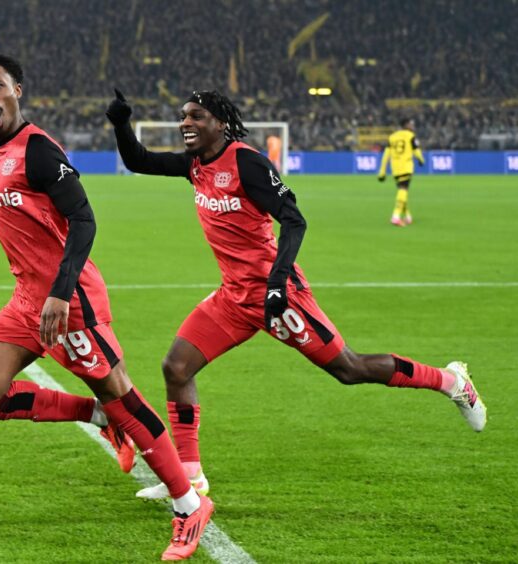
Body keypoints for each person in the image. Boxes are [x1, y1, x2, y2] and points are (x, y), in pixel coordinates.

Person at [105, 88, 487, 501]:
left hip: (278, 294)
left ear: (219, 121)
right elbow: (138, 160)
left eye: (196, 116)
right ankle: (190, 476)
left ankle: (452, 381)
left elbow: (294, 219)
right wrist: (121, 123)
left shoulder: (247, 163)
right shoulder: (195, 164)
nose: (185, 123)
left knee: (349, 369)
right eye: (183, 116)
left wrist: (276, 284)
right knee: (176, 367)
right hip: (233, 297)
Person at [0, 53, 213, 560]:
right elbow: (26, 211)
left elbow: (83, 220)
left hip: (69, 302)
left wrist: (61, 294)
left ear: (17, 90)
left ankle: (188, 503)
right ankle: (96, 416)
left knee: (124, 398)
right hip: (27, 301)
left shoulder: (39, 149)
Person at [377, 118, 426, 226]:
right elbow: (416, 151)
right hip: (406, 166)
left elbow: (386, 154)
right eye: (411, 124)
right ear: (406, 125)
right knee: (403, 189)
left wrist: (382, 170)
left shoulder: (392, 137)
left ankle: (407, 216)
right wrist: (421, 160)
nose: (413, 126)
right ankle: (396, 216)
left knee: (402, 191)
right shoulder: (410, 136)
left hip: (395, 168)